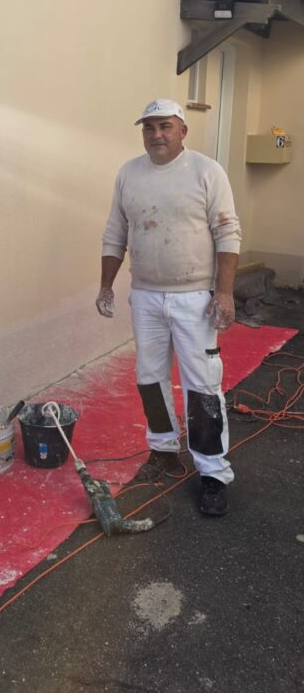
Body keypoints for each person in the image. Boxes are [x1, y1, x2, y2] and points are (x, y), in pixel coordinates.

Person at [96, 98, 241, 516]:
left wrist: (224, 292)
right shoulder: (129, 174)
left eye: (164, 126)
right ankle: (162, 450)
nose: (156, 135)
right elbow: (114, 233)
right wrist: (107, 285)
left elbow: (228, 233)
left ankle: (213, 472)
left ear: (182, 130)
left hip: (195, 297)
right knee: (149, 375)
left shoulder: (206, 171)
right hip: (145, 295)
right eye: (149, 128)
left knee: (202, 383)